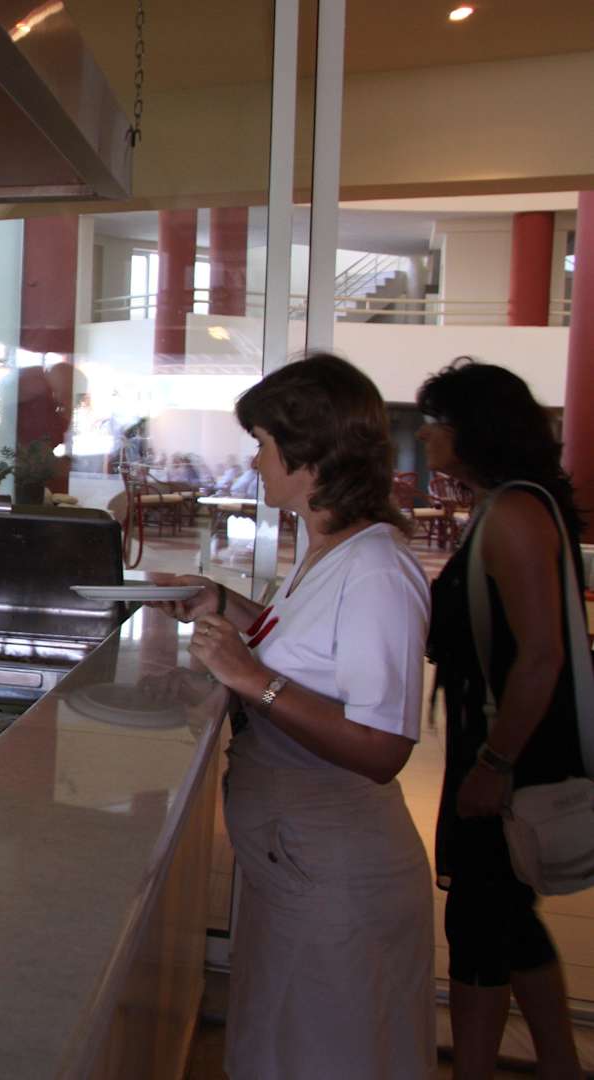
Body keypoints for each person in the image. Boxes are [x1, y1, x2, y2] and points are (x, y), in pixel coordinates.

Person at [152, 354, 435, 1078]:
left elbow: (383, 747)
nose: (254, 461)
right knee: (283, 1044)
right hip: (298, 861)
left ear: (308, 455)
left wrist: (253, 680)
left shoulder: (377, 568)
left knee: (327, 1052)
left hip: (338, 869)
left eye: (263, 444)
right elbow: (307, 648)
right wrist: (222, 603)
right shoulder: (328, 551)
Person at [417, 359, 585, 1080]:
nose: (425, 435)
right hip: (506, 741)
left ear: (473, 429)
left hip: (509, 747)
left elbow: (541, 656)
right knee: (511, 918)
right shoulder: (508, 506)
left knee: (481, 922)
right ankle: (560, 1065)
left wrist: (494, 764)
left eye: (436, 421)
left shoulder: (514, 513)